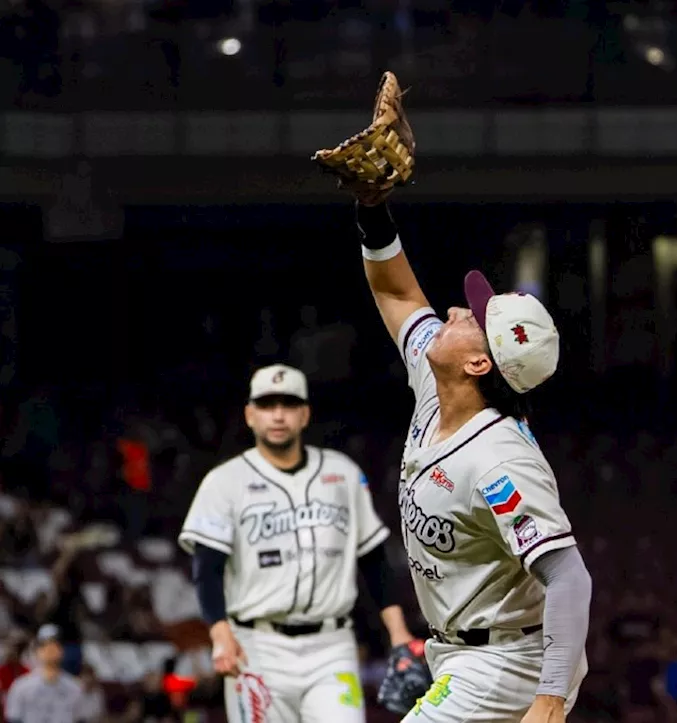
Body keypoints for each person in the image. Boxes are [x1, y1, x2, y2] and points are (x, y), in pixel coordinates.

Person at [352, 197, 592, 723]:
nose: (456, 310)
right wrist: (372, 210)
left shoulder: (499, 460)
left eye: (473, 318)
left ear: (479, 362)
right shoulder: (437, 384)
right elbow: (395, 290)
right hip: (459, 650)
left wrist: (549, 699)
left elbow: (570, 577)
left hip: (510, 660)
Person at [177, 363, 413, 722]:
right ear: (250, 415)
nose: (278, 415)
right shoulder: (224, 481)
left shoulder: (343, 474)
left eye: (288, 405)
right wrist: (220, 633)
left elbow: (373, 558)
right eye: (267, 405)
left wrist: (398, 634)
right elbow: (207, 568)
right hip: (256, 645)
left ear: (304, 415)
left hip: (331, 646)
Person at [4, 625, 88, 723]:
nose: (50, 649)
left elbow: (80, 719)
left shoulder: (75, 688)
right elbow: (14, 719)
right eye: (44, 645)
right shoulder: (21, 686)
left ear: (62, 650)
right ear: (37, 651)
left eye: (55, 644)